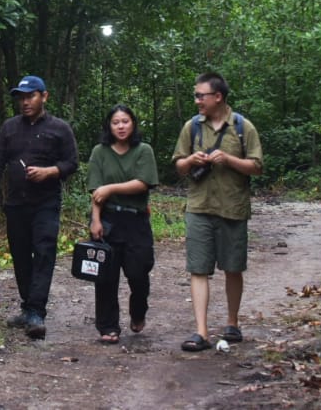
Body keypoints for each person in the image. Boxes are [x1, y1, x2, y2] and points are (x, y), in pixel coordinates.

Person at [0, 75, 78, 340]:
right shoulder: (10, 128)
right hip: (16, 203)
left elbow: (72, 163)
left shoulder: (60, 128)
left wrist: (50, 172)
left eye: (30, 96)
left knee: (43, 252)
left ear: (44, 96)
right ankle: (27, 306)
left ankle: (36, 311)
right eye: (21, 97)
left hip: (46, 202)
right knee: (20, 255)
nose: (25, 102)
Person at [171, 71, 264, 352]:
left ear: (218, 96)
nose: (197, 100)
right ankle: (201, 331)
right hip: (199, 207)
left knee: (233, 268)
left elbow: (257, 167)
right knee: (198, 269)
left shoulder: (243, 127)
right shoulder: (192, 127)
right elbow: (178, 165)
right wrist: (190, 159)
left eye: (201, 95)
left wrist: (229, 159)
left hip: (232, 208)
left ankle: (232, 324)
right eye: (196, 95)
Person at [87, 104, 158, 344]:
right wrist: (95, 220)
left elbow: (143, 183)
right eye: (116, 122)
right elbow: (96, 191)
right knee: (105, 276)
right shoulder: (100, 152)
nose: (121, 126)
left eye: (125, 121)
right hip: (107, 219)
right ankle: (108, 326)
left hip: (136, 220)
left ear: (133, 123)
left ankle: (138, 311)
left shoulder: (143, 150)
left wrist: (111, 188)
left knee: (139, 272)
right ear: (109, 125)